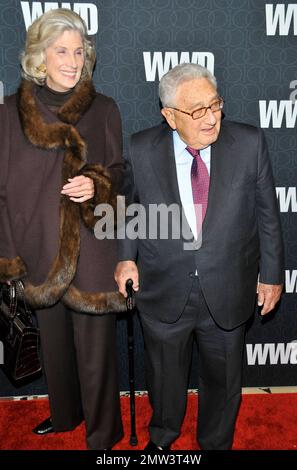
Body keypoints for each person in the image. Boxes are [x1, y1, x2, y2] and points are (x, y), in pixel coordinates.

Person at [115, 63, 284, 451]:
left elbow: (268, 216)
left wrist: (272, 275)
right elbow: (130, 210)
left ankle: (216, 442)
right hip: (163, 286)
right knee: (163, 377)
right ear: (169, 116)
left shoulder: (249, 142)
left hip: (227, 287)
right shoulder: (141, 148)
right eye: (197, 111)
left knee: (224, 381)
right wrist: (125, 258)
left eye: (215, 105)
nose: (211, 118)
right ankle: (162, 437)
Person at [0, 8, 126, 450]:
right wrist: (9, 256)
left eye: (79, 51)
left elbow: (118, 172)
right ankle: (64, 415)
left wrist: (96, 182)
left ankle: (104, 433)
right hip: (38, 245)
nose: (72, 61)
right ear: (40, 55)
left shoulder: (104, 108)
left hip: (91, 246)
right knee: (54, 347)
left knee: (96, 353)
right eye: (61, 51)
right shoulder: (10, 113)